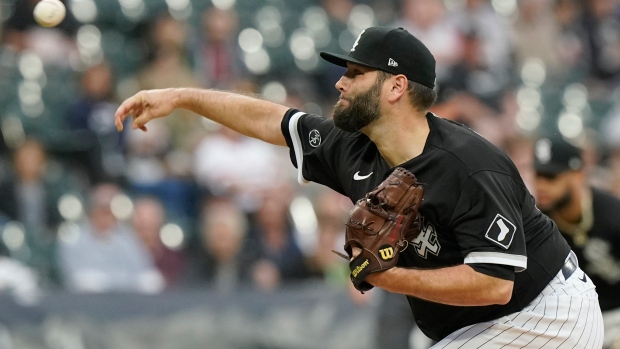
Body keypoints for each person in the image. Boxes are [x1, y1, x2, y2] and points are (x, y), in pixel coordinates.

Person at [115, 26, 603, 347]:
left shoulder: (468, 165)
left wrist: (389, 278)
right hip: (477, 327)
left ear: (395, 87)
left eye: (355, 73)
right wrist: (180, 97)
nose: (339, 84)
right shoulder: (353, 147)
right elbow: (271, 120)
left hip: (545, 314)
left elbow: (496, 285)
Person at [532, 137, 620, 349]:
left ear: (578, 174)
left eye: (551, 176)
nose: (542, 185)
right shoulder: (536, 223)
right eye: (538, 175)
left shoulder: (613, 215)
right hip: (570, 320)